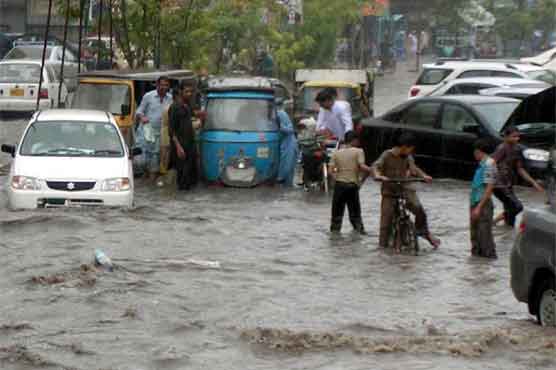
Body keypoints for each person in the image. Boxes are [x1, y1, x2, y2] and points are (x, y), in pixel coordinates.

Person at [371, 132, 441, 249]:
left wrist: (424, 176)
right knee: (385, 224)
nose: (411, 152)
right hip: (389, 192)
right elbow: (375, 166)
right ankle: (382, 250)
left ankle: (423, 232)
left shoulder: (408, 157)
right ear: (404, 146)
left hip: (405, 189)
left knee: (419, 210)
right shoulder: (387, 155)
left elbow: (414, 169)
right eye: (410, 149)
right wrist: (379, 176)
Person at [492, 126, 544, 227]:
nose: (517, 139)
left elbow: (520, 169)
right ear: (506, 137)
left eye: (518, 137)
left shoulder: (517, 149)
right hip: (498, 185)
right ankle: (493, 222)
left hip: (508, 184)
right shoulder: (501, 148)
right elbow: (490, 163)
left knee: (511, 221)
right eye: (514, 136)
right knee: (517, 207)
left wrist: (534, 183)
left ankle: (503, 235)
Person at [329, 131, 372, 234]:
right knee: (355, 215)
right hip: (352, 186)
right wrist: (372, 170)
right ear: (354, 140)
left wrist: (338, 179)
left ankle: (335, 239)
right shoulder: (359, 151)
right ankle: (359, 236)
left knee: (336, 216)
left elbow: (330, 171)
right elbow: (362, 166)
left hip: (339, 186)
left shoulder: (336, 152)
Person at [136, 76, 172, 182]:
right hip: (146, 132)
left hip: (161, 133)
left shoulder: (170, 98)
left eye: (166, 85)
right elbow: (139, 111)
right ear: (157, 85)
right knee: (143, 159)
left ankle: (151, 181)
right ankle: (145, 178)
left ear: (168, 87)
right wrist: (143, 117)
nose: (163, 87)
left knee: (156, 158)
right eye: (161, 85)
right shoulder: (148, 96)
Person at [470, 139, 498, 259]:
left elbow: (489, 188)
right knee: (475, 237)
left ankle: (488, 262)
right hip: (476, 202)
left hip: (483, 204)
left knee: (485, 237)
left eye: (475, 152)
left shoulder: (489, 164)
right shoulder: (482, 164)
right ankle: (478, 267)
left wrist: (479, 207)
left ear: (479, 151)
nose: (474, 154)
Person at [169, 84, 198, 191]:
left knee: (190, 176)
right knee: (182, 176)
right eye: (187, 92)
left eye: (190, 92)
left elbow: (191, 122)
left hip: (190, 145)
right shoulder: (174, 107)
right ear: (180, 92)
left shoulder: (187, 106)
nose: (189, 94)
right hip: (181, 147)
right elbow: (171, 130)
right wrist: (178, 147)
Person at [160, 88, 181, 180]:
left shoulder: (169, 107)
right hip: (169, 135)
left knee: (164, 157)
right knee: (167, 157)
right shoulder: (173, 108)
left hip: (165, 134)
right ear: (176, 97)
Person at [277, 106, 299, 187]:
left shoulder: (281, 114)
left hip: (288, 145)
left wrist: (281, 127)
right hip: (279, 145)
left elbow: (290, 129)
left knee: (288, 170)